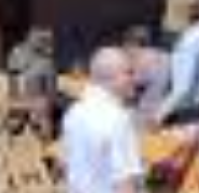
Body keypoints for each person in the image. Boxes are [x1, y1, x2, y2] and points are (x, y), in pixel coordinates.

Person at [61, 47, 144, 193]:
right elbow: (124, 181)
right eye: (129, 73)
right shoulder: (117, 118)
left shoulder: (74, 113)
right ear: (109, 78)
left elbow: (67, 165)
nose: (135, 79)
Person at [6, 27, 58, 135]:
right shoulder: (46, 63)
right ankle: (36, 122)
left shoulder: (16, 53)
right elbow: (51, 90)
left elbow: (12, 80)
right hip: (34, 101)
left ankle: (21, 119)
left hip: (19, 99)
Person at [122, 25, 171, 125]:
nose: (125, 49)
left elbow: (129, 91)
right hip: (164, 110)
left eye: (126, 45)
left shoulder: (142, 59)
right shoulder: (164, 55)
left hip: (145, 114)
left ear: (133, 44)